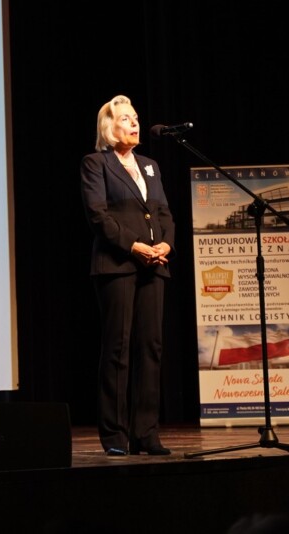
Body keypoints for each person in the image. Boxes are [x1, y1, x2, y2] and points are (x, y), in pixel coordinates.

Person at [80, 94, 175, 456]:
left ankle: (146, 433)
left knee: (151, 347)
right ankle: (115, 436)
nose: (134, 123)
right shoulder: (96, 163)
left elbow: (164, 213)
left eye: (135, 117)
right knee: (118, 347)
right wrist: (134, 246)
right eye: (125, 118)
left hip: (155, 264)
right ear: (109, 127)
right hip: (117, 265)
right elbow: (98, 215)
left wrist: (165, 245)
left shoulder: (150, 165)